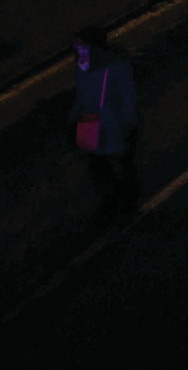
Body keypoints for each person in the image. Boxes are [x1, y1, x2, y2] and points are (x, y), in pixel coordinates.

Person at [69, 27, 139, 226]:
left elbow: (128, 99)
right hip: (93, 130)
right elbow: (81, 96)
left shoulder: (115, 67)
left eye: (82, 47)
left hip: (114, 130)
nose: (78, 51)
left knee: (121, 169)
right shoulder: (82, 66)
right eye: (76, 48)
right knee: (100, 171)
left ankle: (128, 205)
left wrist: (129, 127)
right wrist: (74, 120)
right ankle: (111, 204)